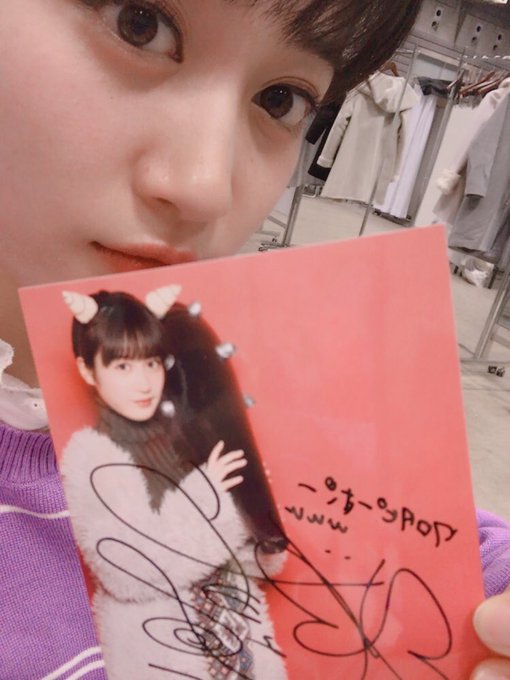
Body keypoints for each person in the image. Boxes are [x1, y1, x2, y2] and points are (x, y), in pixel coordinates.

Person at [0, 0, 509, 677]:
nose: (206, 186)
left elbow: (442, 541)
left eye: (280, 99)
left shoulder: (238, 398)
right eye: (139, 25)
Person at [61, 288, 287, 678]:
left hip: (241, 651)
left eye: (151, 363)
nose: (144, 383)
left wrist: (256, 519)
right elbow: (131, 572)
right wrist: (211, 495)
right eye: (123, 367)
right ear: (87, 370)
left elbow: (242, 566)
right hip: (164, 659)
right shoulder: (92, 458)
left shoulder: (188, 436)